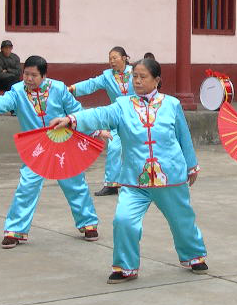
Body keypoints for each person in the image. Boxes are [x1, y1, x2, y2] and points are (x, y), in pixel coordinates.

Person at [50, 57, 207, 282]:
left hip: (170, 175)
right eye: (135, 76)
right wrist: (71, 119)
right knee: (123, 219)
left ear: (157, 80)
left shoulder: (172, 104)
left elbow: (183, 136)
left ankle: (194, 255)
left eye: (143, 77)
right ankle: (125, 266)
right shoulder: (123, 105)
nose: (137, 81)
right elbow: (99, 115)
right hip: (135, 178)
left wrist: (191, 166)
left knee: (181, 218)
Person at [0, 55, 101, 248]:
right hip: (36, 148)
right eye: (26, 74)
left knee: (75, 183)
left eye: (34, 75)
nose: (29, 79)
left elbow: (76, 111)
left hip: (62, 144)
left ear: (44, 76)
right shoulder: (17, 92)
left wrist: (96, 130)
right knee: (27, 186)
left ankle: (88, 223)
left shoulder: (58, 89)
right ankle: (15, 230)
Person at [69, 46, 135, 196]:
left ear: (124, 58)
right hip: (117, 117)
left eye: (115, 58)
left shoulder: (135, 73)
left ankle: (141, 182)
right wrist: (72, 88)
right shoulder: (107, 77)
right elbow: (91, 84)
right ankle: (111, 184)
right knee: (114, 148)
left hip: (137, 115)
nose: (111, 61)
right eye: (110, 58)